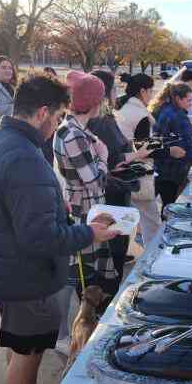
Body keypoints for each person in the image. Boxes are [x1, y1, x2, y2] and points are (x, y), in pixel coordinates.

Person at [0, 73, 116, 384]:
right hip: (24, 277)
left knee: (18, 347)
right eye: (58, 118)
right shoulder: (23, 156)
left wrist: (53, 204)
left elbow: (4, 204)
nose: (57, 126)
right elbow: (41, 238)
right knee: (27, 356)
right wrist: (90, 233)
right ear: (41, 113)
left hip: (2, 268)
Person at [54, 72, 119, 297]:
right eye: (101, 98)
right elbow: (94, 183)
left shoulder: (76, 128)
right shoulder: (74, 134)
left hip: (86, 206)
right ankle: (85, 322)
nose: (104, 102)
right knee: (87, 276)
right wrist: (104, 157)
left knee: (91, 274)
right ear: (93, 103)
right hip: (85, 210)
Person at [88, 68, 151, 275]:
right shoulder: (102, 121)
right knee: (113, 241)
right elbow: (114, 158)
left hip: (107, 189)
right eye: (114, 87)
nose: (117, 91)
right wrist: (139, 154)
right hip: (113, 189)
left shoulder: (96, 119)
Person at [115, 73, 181, 244]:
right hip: (137, 171)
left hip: (119, 167)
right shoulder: (140, 115)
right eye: (151, 91)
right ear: (143, 91)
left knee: (121, 219)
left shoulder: (121, 106)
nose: (152, 95)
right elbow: (142, 147)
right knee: (151, 221)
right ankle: (153, 258)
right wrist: (169, 150)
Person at [152, 82, 192, 209]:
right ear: (178, 99)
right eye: (189, 100)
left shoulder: (164, 108)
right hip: (173, 171)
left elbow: (171, 135)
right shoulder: (179, 117)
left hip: (160, 166)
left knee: (157, 206)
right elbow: (185, 150)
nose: (191, 103)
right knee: (170, 208)